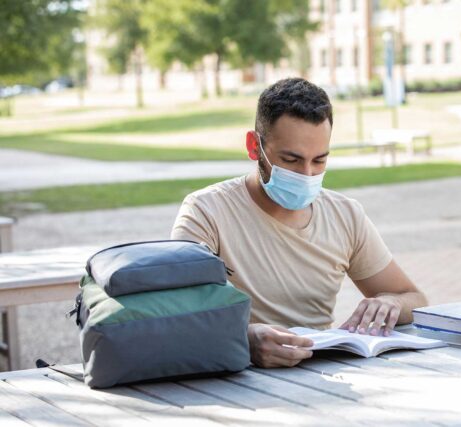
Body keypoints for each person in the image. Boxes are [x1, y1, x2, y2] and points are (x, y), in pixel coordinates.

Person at [171, 77, 427, 368]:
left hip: (321, 372)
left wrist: (391, 303)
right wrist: (244, 337)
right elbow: (177, 314)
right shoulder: (206, 212)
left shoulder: (345, 215)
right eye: (291, 160)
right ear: (254, 147)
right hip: (237, 375)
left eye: (319, 160)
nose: (306, 174)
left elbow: (414, 298)